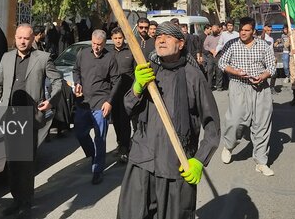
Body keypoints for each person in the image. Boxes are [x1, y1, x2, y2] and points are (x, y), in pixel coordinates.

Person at [117, 22, 220, 218]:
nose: (161, 40)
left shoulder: (194, 77)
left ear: (181, 44)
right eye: (158, 37)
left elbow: (212, 125)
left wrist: (199, 160)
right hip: (142, 161)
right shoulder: (148, 72)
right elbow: (128, 108)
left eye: (168, 37)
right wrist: (137, 88)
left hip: (176, 167)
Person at [0, 23, 62, 217]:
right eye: (19, 38)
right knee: (13, 162)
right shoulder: (6, 58)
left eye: (26, 38)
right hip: (9, 115)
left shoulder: (43, 58)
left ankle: (26, 202)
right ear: (14, 38)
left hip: (29, 115)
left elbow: (57, 81)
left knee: (26, 162)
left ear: (33, 39)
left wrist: (50, 101)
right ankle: (17, 199)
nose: (22, 41)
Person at [219, 17, 276, 176]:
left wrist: (264, 75)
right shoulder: (232, 45)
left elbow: (272, 66)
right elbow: (222, 63)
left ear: (253, 31)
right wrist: (236, 72)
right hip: (239, 86)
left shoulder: (264, 45)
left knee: (262, 124)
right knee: (236, 120)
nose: (243, 33)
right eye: (241, 30)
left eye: (246, 30)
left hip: (260, 88)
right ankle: (229, 146)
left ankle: (261, 161)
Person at [73, 29, 120, 184]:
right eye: (93, 43)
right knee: (80, 132)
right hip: (84, 103)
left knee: (100, 138)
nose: (96, 47)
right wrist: (77, 83)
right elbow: (76, 70)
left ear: (104, 43)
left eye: (99, 44)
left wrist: (110, 102)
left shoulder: (110, 58)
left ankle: (98, 170)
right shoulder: (83, 54)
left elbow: (116, 82)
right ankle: (93, 154)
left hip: (101, 103)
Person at [110, 27, 135, 163]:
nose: (118, 41)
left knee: (125, 121)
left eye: (120, 38)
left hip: (128, 92)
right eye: (115, 38)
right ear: (112, 39)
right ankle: (120, 143)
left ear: (123, 38)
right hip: (114, 93)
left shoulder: (130, 51)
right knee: (116, 121)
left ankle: (125, 149)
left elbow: (136, 71)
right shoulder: (109, 53)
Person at [214, 20, 239, 91]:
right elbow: (220, 44)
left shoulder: (237, 34)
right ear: (226, 26)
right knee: (225, 71)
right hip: (226, 55)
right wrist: (216, 51)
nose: (230, 27)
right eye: (228, 26)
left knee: (234, 71)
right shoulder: (223, 34)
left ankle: (234, 86)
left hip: (235, 55)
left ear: (233, 26)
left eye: (231, 25)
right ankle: (227, 86)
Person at [203, 22, 221, 90]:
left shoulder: (220, 37)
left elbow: (222, 45)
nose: (214, 31)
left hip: (218, 55)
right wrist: (211, 50)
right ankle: (209, 86)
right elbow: (205, 45)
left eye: (215, 30)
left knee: (219, 71)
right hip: (210, 55)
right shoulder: (208, 37)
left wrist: (217, 50)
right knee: (210, 70)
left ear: (218, 29)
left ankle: (219, 86)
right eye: (212, 30)